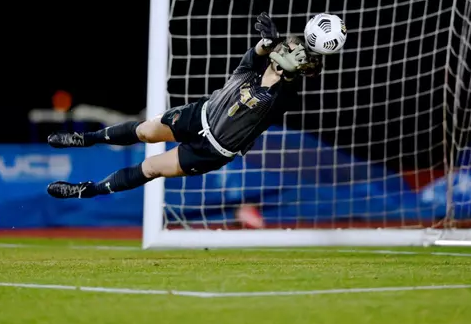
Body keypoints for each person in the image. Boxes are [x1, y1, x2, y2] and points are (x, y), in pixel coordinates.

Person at [45, 12, 322, 201]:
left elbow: (285, 86)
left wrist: (297, 67)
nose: (287, 51)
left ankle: (86, 190)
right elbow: (258, 51)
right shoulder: (250, 70)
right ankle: (85, 138)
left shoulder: (283, 96)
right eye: (289, 47)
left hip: (213, 150)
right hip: (197, 116)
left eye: (294, 52)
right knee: (144, 132)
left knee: (151, 168)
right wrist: (267, 42)